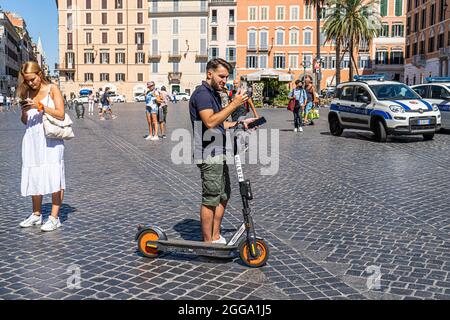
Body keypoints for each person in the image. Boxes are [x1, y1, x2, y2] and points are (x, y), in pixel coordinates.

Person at [189, 58, 256, 244]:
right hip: (207, 153)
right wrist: (234, 104)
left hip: (218, 151)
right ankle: (208, 242)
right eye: (221, 76)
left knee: (223, 195)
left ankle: (216, 235)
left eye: (226, 77)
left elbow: (219, 123)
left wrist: (240, 123)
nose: (224, 81)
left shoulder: (214, 94)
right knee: (211, 198)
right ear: (209, 73)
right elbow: (210, 121)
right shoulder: (202, 94)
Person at [17, 61, 66, 232]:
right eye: (27, 80)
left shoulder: (52, 89)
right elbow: (25, 121)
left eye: (32, 79)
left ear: (40, 74)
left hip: (50, 139)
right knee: (34, 174)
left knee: (54, 175)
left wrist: (41, 106)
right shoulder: (26, 92)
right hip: (31, 138)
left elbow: (61, 113)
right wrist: (24, 111)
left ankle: (54, 217)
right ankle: (36, 214)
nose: (31, 83)